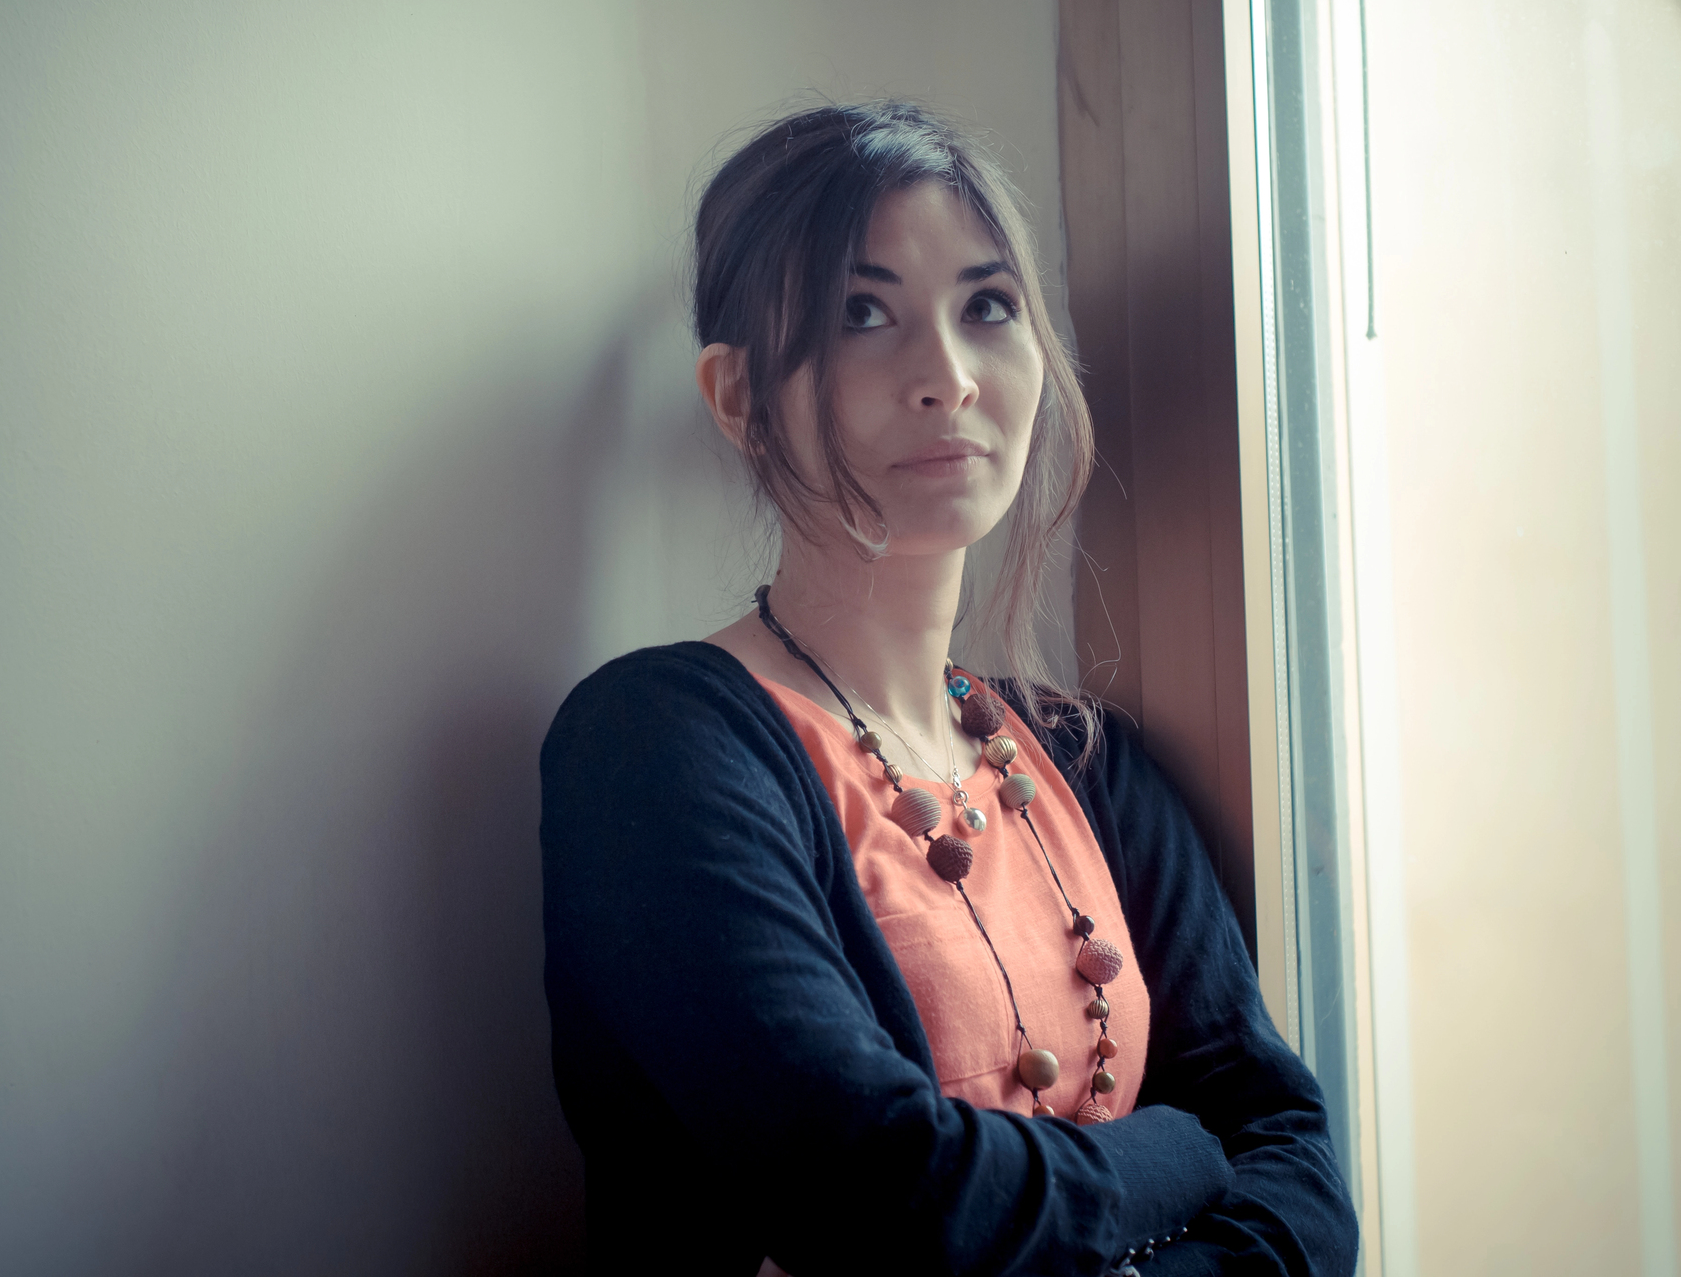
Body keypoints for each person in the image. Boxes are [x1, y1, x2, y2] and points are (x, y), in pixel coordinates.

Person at [538, 101, 1356, 1276]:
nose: (948, 376)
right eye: (860, 314)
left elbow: (1291, 1151)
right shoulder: (653, 749)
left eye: (987, 307)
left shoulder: (1088, 763)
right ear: (736, 397)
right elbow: (885, 1195)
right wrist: (1172, 1149)